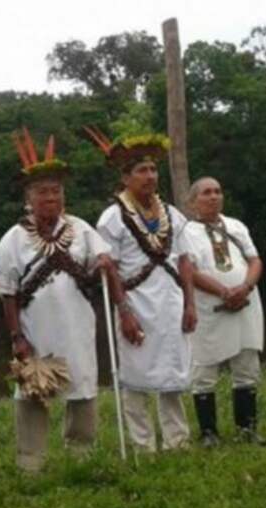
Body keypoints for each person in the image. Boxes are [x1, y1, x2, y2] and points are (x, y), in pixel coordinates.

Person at [0, 129, 112, 472]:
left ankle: (81, 456)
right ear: (29, 197)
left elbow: (102, 261)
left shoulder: (82, 229)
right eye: (43, 192)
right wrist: (16, 337)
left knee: (84, 386)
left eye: (56, 191)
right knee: (32, 393)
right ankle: (31, 462)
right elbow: (6, 290)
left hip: (78, 326)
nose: (51, 198)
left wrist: (101, 262)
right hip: (35, 331)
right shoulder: (15, 237)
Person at [86, 128, 197, 453]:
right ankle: (142, 444)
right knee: (135, 374)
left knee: (173, 370)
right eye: (141, 171)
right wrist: (123, 313)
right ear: (125, 177)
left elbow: (186, 262)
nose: (150, 176)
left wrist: (191, 304)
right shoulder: (112, 217)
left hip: (172, 301)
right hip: (135, 303)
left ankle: (177, 441)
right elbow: (111, 268)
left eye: (153, 169)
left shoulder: (173, 214)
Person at [184, 177, 266, 446]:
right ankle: (209, 432)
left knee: (247, 366)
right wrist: (223, 291)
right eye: (206, 193)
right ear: (193, 201)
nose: (214, 196)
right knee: (204, 370)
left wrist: (245, 286)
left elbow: (254, 259)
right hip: (209, 309)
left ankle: (247, 428)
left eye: (218, 191)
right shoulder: (186, 232)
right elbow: (190, 271)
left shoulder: (236, 226)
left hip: (245, 304)